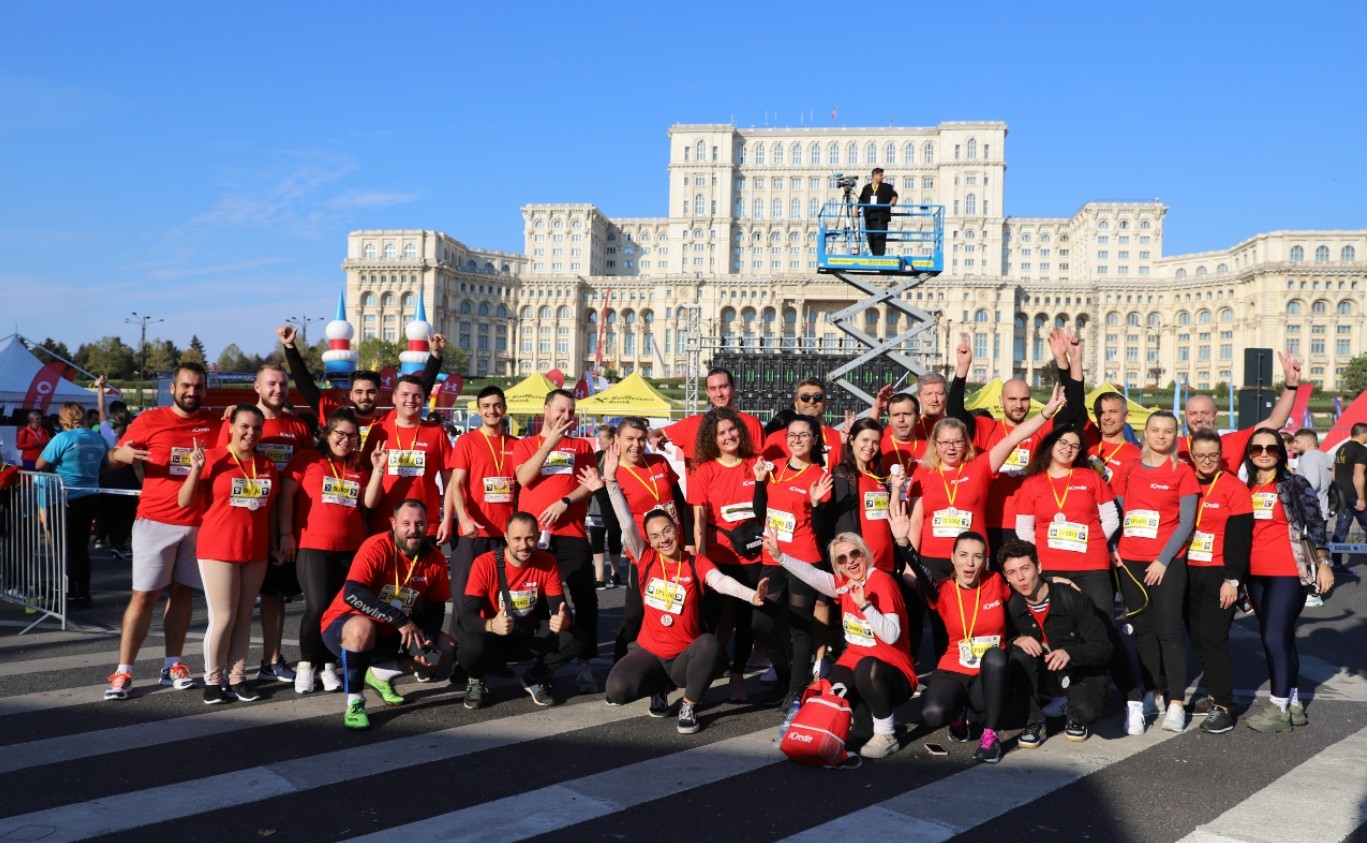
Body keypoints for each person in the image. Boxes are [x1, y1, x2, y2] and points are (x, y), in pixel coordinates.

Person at [589, 463, 768, 733]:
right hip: (650, 651)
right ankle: (658, 687)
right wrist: (611, 483)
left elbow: (720, 582)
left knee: (709, 644)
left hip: (684, 655)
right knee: (617, 689)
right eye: (654, 536)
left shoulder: (696, 562)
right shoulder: (646, 558)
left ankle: (689, 704)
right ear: (649, 541)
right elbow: (626, 523)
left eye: (667, 531)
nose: (663, 539)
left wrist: (751, 595)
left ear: (676, 528)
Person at [104, 363, 218, 700]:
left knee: (182, 596)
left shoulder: (215, 424)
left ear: (205, 390)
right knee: (144, 597)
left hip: (197, 524)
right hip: (154, 521)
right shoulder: (149, 420)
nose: (191, 392)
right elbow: (112, 459)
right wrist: (119, 454)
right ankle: (123, 671)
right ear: (172, 388)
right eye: (186, 386)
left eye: (198, 387)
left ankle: (173, 665)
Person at [1013, 426, 1141, 717]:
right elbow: (1023, 529)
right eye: (1063, 442)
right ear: (1051, 444)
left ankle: (1132, 696)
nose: (1068, 449)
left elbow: (1111, 517)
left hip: (1090, 565)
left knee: (1104, 628)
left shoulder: (1089, 477)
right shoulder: (1033, 484)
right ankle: (1068, 693)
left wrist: (1093, 542)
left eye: (1074, 445)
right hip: (1051, 567)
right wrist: (1040, 558)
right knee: (1061, 633)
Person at [766, 528, 917, 758]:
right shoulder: (845, 583)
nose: (850, 561)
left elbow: (891, 635)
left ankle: (886, 734)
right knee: (829, 691)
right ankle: (857, 721)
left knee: (867, 667)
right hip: (856, 667)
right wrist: (780, 556)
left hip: (893, 673)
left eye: (855, 553)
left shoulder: (882, 581)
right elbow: (813, 575)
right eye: (842, 559)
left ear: (865, 553)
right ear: (837, 566)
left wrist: (865, 605)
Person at [218, 363, 315, 684]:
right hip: (241, 523)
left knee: (274, 595)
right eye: (271, 383)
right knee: (231, 604)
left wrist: (287, 532)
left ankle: (271, 660)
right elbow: (219, 466)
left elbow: (308, 473)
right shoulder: (237, 421)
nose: (278, 389)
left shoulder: (297, 427)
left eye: (283, 384)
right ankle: (222, 670)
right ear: (256, 387)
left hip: (282, 524)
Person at [319, 499, 454, 729]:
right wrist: (399, 619)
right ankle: (355, 701)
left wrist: (430, 636)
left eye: (420, 524)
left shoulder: (435, 559)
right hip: (347, 628)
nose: (413, 530)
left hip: (394, 631)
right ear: (393, 523)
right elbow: (352, 592)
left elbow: (436, 605)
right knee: (362, 628)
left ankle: (380, 674)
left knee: (446, 650)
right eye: (406, 523)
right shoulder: (376, 546)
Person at [178, 405, 280, 704]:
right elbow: (184, 501)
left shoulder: (266, 464)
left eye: (257, 428)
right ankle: (213, 680)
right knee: (223, 618)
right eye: (245, 426)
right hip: (218, 549)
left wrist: (275, 543)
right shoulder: (212, 458)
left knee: (244, 617)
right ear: (232, 427)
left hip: (255, 550)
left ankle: (237, 678)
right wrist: (196, 470)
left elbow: (270, 510)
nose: (251, 433)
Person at [279, 409, 385, 693]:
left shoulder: (357, 466)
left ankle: (328, 666)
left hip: (351, 549)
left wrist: (378, 469)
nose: (346, 440)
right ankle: (306, 665)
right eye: (340, 434)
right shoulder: (308, 458)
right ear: (327, 434)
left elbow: (370, 502)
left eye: (352, 436)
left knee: (340, 610)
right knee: (317, 607)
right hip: (313, 546)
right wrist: (285, 534)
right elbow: (286, 495)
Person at [687, 407, 787, 703]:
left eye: (732, 430)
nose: (728, 436)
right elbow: (699, 522)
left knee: (747, 622)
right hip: (718, 559)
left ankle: (737, 675)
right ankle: (698, 677)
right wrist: (701, 563)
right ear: (712, 438)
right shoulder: (704, 470)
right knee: (709, 622)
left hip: (753, 559)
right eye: (721, 433)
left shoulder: (756, 464)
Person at [1242, 429, 1335, 732]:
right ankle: (1293, 701)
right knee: (1281, 638)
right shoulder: (1245, 487)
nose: (1264, 453)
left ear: (1281, 452)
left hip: (1288, 572)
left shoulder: (1294, 484)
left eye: (1271, 448)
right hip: (1254, 574)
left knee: (1273, 637)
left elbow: (1316, 523)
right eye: (1257, 448)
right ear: (1249, 453)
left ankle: (1278, 705)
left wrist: (1324, 563)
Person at [1114, 410, 1199, 734]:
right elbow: (1119, 510)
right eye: (1155, 430)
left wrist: (1163, 560)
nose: (1161, 436)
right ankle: (1153, 693)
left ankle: (1176, 702)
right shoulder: (1129, 467)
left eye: (1168, 431)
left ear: (1176, 436)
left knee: (1169, 631)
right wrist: (1115, 546)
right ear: (1145, 433)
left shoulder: (1183, 471)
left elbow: (1186, 522)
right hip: (1130, 561)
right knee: (1143, 631)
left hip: (1166, 562)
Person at [948, 330, 1072, 552]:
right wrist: (963, 368)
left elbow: (1073, 408)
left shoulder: (1042, 429)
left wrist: (1063, 361)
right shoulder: (986, 427)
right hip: (989, 522)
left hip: (1028, 524)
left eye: (1024, 399)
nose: (1018, 405)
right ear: (1001, 400)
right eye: (1012, 399)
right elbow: (955, 412)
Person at [511, 389, 600, 693]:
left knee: (585, 599)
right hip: (533, 537)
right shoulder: (524, 445)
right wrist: (549, 443)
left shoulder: (581, 445)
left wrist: (565, 501)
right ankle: (542, 665)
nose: (566, 417)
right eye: (561, 410)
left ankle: (585, 664)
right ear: (546, 410)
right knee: (537, 602)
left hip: (570, 533)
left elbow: (590, 485)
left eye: (571, 412)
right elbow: (524, 478)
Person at [899, 527, 1013, 764]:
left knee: (995, 656)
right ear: (952, 558)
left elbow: (1025, 594)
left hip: (988, 673)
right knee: (933, 714)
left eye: (977, 556)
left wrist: (1054, 581)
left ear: (984, 560)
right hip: (954, 667)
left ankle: (990, 737)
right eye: (963, 555)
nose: (970, 562)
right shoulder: (942, 590)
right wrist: (904, 542)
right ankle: (959, 713)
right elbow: (921, 573)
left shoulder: (995, 581)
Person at [458, 511, 578, 709]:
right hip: (493, 638)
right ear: (506, 537)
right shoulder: (484, 563)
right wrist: (491, 625)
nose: (524, 545)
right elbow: (467, 616)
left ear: (538, 537)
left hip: (525, 633)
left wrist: (564, 620)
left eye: (530, 538)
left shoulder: (547, 562)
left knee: (574, 637)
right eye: (517, 539)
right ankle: (476, 678)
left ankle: (534, 677)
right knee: (470, 645)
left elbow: (560, 609)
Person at [999, 539, 1113, 746]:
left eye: (1025, 568)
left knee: (1087, 712)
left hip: (1078, 671)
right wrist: (1016, 639)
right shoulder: (1013, 605)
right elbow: (1002, 640)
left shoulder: (1071, 598)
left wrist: (1070, 653)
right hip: (1047, 674)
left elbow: (1104, 647)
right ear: (1006, 577)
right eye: (1012, 572)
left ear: (1039, 567)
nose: (1020, 578)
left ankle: (1074, 710)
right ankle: (1035, 722)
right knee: (1017, 652)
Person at [754, 413, 834, 708]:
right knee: (761, 624)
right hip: (772, 557)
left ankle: (795, 691)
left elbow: (822, 528)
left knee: (799, 629)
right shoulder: (773, 468)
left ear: (814, 440)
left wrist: (816, 503)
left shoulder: (819, 476)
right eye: (792, 435)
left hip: (803, 559)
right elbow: (760, 511)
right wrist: (759, 482)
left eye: (803, 435)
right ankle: (786, 674)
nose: (797, 440)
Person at [1182, 429, 1253, 734]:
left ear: (1221, 455)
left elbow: (1241, 539)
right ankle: (1212, 692)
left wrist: (1233, 580)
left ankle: (1223, 705)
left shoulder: (1233, 488)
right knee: (1197, 636)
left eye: (1213, 455)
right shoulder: (1185, 481)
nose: (1207, 461)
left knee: (1213, 637)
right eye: (1200, 455)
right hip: (1188, 570)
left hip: (1219, 572)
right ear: (1191, 455)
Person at [606, 417, 690, 661]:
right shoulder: (614, 473)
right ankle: (619, 665)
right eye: (630, 439)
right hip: (645, 554)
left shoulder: (658, 462)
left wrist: (691, 543)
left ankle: (681, 661)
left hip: (676, 547)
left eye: (641, 439)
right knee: (635, 613)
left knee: (682, 606)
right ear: (616, 440)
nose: (636, 444)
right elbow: (615, 520)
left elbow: (680, 503)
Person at [276, 325, 445, 446]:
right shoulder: (335, 417)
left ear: (379, 394)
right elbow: (305, 386)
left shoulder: (388, 422)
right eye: (359, 392)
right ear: (351, 394)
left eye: (370, 392)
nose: (364, 397)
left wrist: (435, 356)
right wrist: (290, 348)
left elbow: (419, 391)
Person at [445, 386, 521, 649]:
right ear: (478, 410)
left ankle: (491, 654)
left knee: (497, 597)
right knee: (464, 596)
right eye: (486, 406)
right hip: (473, 533)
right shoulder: (467, 441)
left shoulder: (516, 444)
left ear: (505, 409)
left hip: (504, 535)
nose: (492, 411)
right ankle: (458, 655)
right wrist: (463, 518)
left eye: (497, 405)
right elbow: (455, 484)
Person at [35, 402, 109, 608]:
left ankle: (69, 594)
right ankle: (83, 594)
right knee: (81, 547)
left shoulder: (62, 438)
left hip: (65, 497)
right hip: (90, 496)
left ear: (63, 420)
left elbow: (40, 464)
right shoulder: (97, 438)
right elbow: (106, 465)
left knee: (65, 548)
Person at [360, 375, 453, 539]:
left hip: (425, 526)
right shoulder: (379, 431)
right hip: (384, 525)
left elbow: (450, 481)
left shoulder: (436, 433)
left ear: (424, 399)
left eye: (416, 396)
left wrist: (447, 519)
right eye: (405, 395)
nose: (410, 400)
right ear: (394, 398)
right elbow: (365, 477)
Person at [1178, 350, 1302, 472]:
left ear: (1215, 414)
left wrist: (1291, 385)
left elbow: (1276, 422)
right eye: (1193, 413)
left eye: (1205, 413)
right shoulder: (1173, 446)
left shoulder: (1233, 442)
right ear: (1185, 416)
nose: (1199, 418)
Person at [650, 368, 765, 470]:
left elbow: (762, 462)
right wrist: (653, 437)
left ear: (733, 387)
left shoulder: (751, 423)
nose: (719, 394)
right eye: (713, 389)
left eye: (723, 387)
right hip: (700, 488)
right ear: (707, 392)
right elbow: (657, 432)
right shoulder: (691, 424)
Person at [94, 378, 137, 558]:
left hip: (110, 474)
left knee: (110, 512)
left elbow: (101, 410)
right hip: (128, 476)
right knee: (127, 513)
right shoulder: (134, 436)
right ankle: (119, 543)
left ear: (114, 420)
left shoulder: (106, 432)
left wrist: (100, 389)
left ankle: (113, 542)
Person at [761, 378, 845, 465]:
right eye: (805, 397)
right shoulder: (775, 439)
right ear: (796, 404)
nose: (811, 401)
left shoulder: (840, 439)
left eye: (817, 397)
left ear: (825, 403)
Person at [1330, 422, 1367, 577]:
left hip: (1343, 497)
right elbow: (1358, 474)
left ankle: (1337, 564)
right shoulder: (1361, 450)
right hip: (1356, 498)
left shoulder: (1342, 448)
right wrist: (1361, 498)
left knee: (1341, 530)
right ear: (1363, 434)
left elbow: (1334, 472)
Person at [588, 424, 622, 589]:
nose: (599, 441)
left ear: (611, 440)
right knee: (596, 539)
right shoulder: (597, 455)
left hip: (615, 503)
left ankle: (615, 573)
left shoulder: (620, 456)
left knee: (614, 539)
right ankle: (599, 577)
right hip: (596, 502)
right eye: (598, 437)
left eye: (601, 438)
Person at [879, 392, 927, 477]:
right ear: (889, 419)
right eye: (896, 415)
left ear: (918, 418)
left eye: (907, 414)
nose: (901, 419)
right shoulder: (877, 449)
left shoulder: (931, 450)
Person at [855, 167, 898, 256]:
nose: (882, 177)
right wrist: (856, 210)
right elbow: (861, 200)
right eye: (880, 175)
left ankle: (879, 258)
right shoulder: (866, 188)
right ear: (875, 176)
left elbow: (894, 194)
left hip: (880, 218)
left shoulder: (887, 187)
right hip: (869, 218)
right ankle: (875, 256)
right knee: (870, 239)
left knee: (879, 239)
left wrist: (893, 200)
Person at [1291, 429, 1333, 521]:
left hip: (1309, 513)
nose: (1293, 445)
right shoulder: (1325, 456)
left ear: (1308, 443)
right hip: (1321, 511)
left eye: (1297, 442)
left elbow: (1312, 484)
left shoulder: (1309, 457)